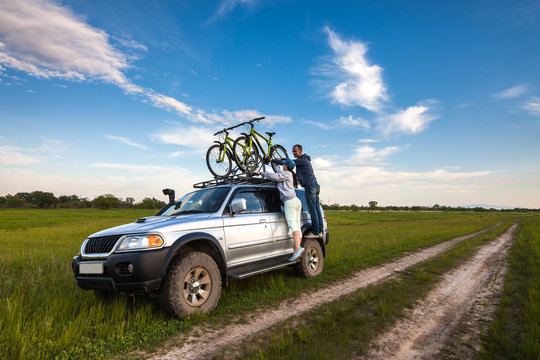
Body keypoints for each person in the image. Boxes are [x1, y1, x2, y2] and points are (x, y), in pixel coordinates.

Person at [253, 159, 304, 262]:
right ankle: (298, 249)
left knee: (292, 224)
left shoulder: (287, 174)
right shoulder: (288, 174)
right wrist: (272, 161)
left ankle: (297, 249)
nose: (282, 166)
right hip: (295, 201)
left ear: (286, 166)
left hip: (290, 202)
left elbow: (275, 176)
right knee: (297, 225)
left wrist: (261, 173)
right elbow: (277, 170)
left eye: (283, 164)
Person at [291, 144, 324, 239]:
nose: (294, 153)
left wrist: (275, 160)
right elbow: (291, 161)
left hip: (310, 187)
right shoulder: (304, 160)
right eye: (293, 151)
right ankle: (320, 231)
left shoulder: (302, 160)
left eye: (295, 151)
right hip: (315, 186)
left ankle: (315, 232)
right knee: (317, 210)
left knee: (312, 210)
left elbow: (290, 162)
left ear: (300, 151)